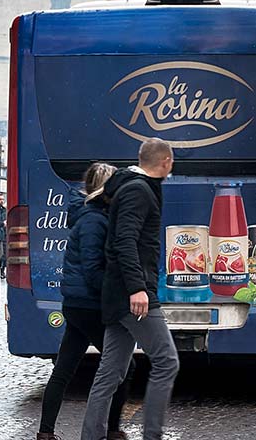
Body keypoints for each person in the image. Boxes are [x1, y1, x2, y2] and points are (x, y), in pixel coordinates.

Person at [81, 138, 180, 440]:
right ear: (165, 162)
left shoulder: (134, 187)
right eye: (171, 162)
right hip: (132, 295)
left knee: (110, 373)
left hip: (120, 293)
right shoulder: (138, 191)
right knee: (166, 361)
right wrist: (138, 288)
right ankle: (152, 436)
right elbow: (124, 241)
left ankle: (91, 436)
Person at [38, 162, 132, 440]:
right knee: (123, 367)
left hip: (78, 305)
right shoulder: (93, 219)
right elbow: (93, 268)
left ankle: (45, 433)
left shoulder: (92, 215)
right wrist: (113, 297)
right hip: (89, 305)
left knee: (64, 368)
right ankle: (113, 430)